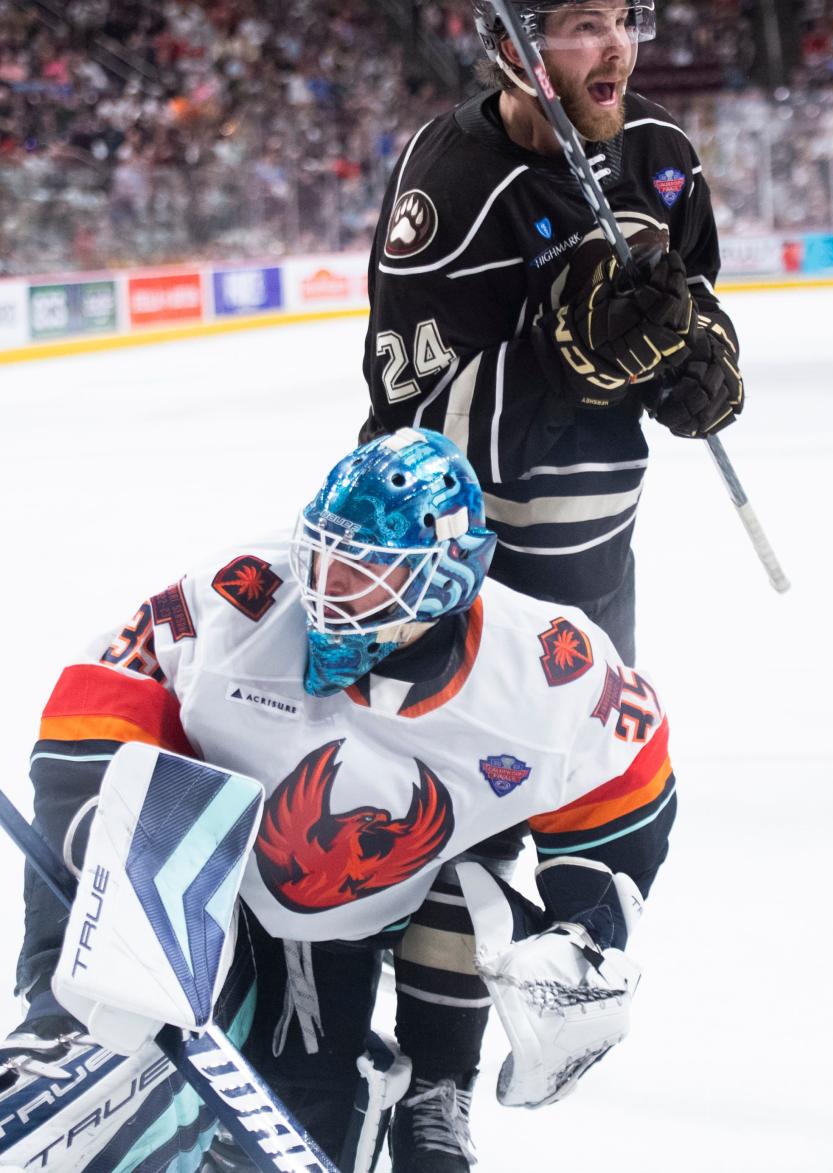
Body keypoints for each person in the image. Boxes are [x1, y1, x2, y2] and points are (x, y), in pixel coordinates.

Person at [3, 428, 677, 1172]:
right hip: (203, 860)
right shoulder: (245, 596)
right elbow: (107, 687)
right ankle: (62, 1023)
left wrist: (583, 928)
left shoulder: (545, 671)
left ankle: (431, 1084)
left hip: (359, 911)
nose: (323, 589)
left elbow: (627, 789)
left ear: (445, 579)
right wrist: (96, 844)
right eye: (322, 555)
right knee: (117, 927)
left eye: (360, 573)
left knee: (310, 1108)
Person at [359, 5, 740, 1162]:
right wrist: (555, 362)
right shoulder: (447, 178)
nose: (617, 49)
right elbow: (402, 428)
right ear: (514, 43)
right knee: (440, 831)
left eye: (628, 17)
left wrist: (700, 366)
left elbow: (694, 301)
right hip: (452, 568)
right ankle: (425, 1088)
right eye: (581, 24)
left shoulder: (663, 161)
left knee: (543, 814)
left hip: (591, 568)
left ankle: (442, 1064)